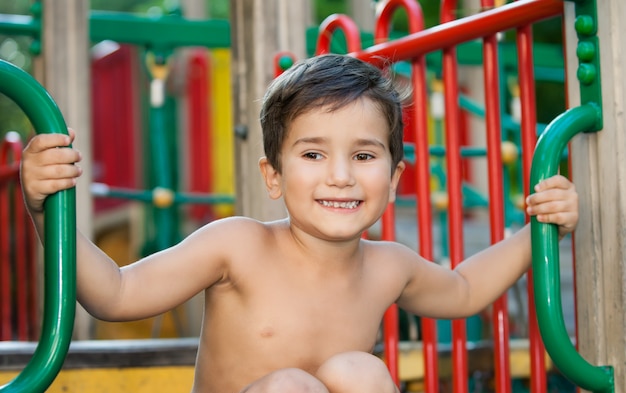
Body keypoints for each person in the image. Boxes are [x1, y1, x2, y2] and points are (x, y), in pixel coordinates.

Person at [20, 54, 578, 393]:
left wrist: (540, 229)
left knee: (360, 372)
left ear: (396, 176)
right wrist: (46, 209)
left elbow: (464, 289)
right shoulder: (238, 246)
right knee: (292, 384)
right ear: (273, 175)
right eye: (313, 155)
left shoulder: (387, 265)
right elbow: (115, 295)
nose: (340, 177)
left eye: (363, 156)